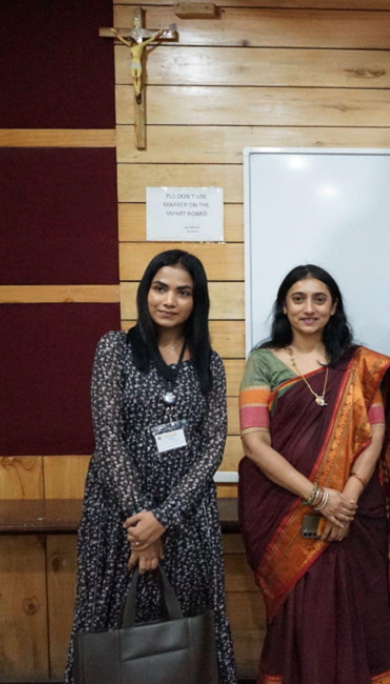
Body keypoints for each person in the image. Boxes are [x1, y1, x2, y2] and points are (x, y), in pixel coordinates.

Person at [66, 249, 237, 683]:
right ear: (146, 292)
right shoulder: (115, 349)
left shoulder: (210, 363)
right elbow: (108, 437)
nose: (169, 300)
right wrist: (141, 524)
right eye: (160, 288)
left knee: (186, 626)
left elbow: (213, 445)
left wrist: (163, 518)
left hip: (187, 519)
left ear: (196, 301)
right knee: (111, 625)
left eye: (183, 292)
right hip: (118, 517)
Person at [238, 265, 390, 684]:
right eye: (298, 299)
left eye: (319, 299)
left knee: (358, 606)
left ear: (333, 308)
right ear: (284, 306)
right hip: (286, 508)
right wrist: (319, 498)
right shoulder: (263, 361)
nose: (308, 308)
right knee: (304, 611)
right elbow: (255, 442)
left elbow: (376, 435)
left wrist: (345, 499)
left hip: (354, 509)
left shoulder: (360, 364)